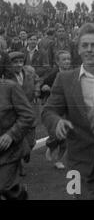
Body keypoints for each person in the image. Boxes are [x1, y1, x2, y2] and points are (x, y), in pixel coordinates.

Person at [42, 23, 94, 200]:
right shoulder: (65, 79)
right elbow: (49, 111)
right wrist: (57, 121)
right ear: (78, 49)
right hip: (79, 159)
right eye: (84, 45)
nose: (89, 50)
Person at [0, 52, 35, 200]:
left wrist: (11, 134)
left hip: (8, 152)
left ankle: (20, 193)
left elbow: (27, 115)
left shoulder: (10, 88)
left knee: (5, 188)